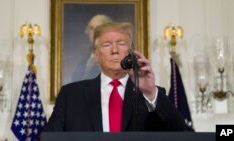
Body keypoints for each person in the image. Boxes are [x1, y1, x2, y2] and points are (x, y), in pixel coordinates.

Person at [44, 22, 186, 132]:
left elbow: (181, 133)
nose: (114, 50)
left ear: (131, 52)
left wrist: (150, 92)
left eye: (121, 43)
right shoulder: (70, 95)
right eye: (107, 44)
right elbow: (50, 138)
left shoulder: (151, 94)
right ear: (96, 55)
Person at [71, 14, 113, 82]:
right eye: (91, 28)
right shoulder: (88, 57)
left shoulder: (114, 56)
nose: (94, 32)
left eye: (98, 28)